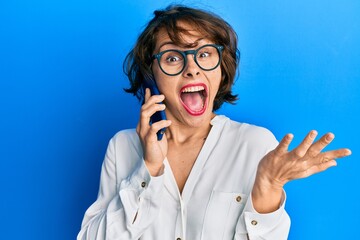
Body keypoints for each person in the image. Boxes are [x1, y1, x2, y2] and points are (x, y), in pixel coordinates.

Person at [77, 4, 351, 240]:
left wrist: (267, 187)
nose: (192, 67)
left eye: (205, 53)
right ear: (152, 74)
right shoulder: (123, 147)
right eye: (172, 58)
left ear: (222, 68)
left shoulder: (254, 144)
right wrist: (147, 169)